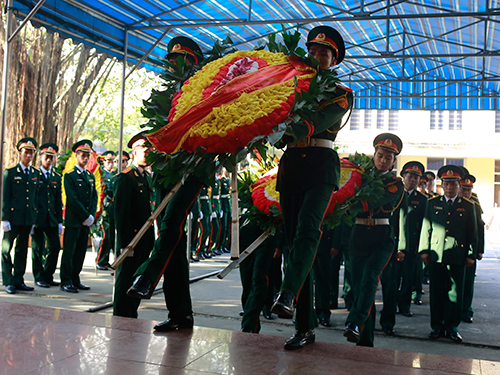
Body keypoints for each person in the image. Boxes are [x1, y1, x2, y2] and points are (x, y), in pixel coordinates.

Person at [270, 25, 354, 350]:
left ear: (334, 61)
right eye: (314, 51)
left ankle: (288, 293)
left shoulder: (340, 93)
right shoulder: (289, 87)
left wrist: (278, 127)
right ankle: (304, 326)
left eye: (325, 53)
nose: (318, 56)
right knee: (294, 245)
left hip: (320, 164)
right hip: (292, 167)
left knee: (307, 230)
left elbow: (310, 123)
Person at [126, 36, 205, 332]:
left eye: (181, 61)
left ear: (194, 64)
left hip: (194, 167)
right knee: (173, 237)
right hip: (165, 169)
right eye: (171, 61)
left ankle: (147, 276)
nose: (174, 65)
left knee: (172, 222)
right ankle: (181, 313)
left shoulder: (206, 91)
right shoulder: (164, 94)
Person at [343, 133, 405, 347]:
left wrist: (348, 200)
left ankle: (354, 322)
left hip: (381, 238)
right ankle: (364, 338)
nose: (383, 160)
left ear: (394, 161)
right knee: (360, 286)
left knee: (370, 278)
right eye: (380, 155)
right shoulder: (360, 175)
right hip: (359, 236)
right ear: (374, 155)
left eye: (388, 158)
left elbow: (369, 200)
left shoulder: (396, 184)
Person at [419, 165, 478, 343]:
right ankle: (436, 326)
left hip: (458, 256)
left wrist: (470, 255)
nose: (450, 187)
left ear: (459, 186)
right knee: (436, 292)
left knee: (455, 294)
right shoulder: (432, 203)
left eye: (454, 184)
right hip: (436, 255)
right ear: (441, 185)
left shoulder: (468, 206)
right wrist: (424, 250)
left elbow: (472, 233)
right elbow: (426, 228)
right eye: (446, 184)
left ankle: (452, 328)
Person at [113, 132, 157, 318]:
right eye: (144, 151)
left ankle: (131, 312)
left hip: (144, 238)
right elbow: (121, 214)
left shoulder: (145, 177)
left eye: (149, 151)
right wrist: (125, 244)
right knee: (125, 279)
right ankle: (122, 314)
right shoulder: (126, 177)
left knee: (137, 278)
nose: (147, 154)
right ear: (134, 153)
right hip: (131, 239)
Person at [1, 137, 40, 294]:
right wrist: (4, 218)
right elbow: (5, 196)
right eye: (26, 152)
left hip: (27, 219)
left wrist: (33, 219)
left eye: (31, 153)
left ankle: (18, 279)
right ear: (20, 153)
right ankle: (8, 280)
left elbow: (35, 198)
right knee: (5, 250)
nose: (29, 156)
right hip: (12, 218)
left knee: (22, 250)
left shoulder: (35, 173)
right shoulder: (10, 172)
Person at [60, 140, 98, 293]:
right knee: (69, 252)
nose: (85, 158)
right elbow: (72, 199)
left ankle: (76, 279)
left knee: (81, 251)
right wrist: (84, 215)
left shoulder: (89, 176)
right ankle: (66, 280)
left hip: (85, 221)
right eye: (83, 155)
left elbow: (94, 197)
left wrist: (91, 215)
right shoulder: (70, 176)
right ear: (77, 156)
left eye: (87, 156)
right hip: (74, 220)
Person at [396, 161, 427, 315]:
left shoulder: (422, 200)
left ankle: (404, 306)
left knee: (408, 278)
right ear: (403, 176)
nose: (413, 180)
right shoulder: (394, 193)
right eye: (410, 176)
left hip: (412, 245)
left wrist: (420, 248)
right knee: (392, 279)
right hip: (393, 243)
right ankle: (390, 305)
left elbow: (424, 225)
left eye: (416, 177)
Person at [31, 143, 63, 288]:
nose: (49, 160)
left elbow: (57, 200)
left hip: (51, 218)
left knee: (55, 246)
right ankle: (39, 276)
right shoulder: (34, 175)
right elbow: (31, 198)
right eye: (47, 157)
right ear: (41, 158)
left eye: (52, 158)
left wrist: (60, 221)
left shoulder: (56, 176)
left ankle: (48, 275)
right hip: (38, 218)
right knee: (37, 250)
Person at [458, 173, 484, 324]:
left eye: (469, 190)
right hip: (455, 250)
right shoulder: (452, 203)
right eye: (463, 190)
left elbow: (480, 229)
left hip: (470, 249)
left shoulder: (475, 205)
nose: (466, 193)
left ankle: (466, 311)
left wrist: (479, 250)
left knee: (468, 282)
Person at [96, 150, 116, 270]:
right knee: (105, 236)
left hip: (112, 209)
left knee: (112, 236)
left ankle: (106, 260)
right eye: (108, 161)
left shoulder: (114, 174)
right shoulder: (101, 174)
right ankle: (100, 260)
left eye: (112, 161)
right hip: (104, 209)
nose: (110, 164)